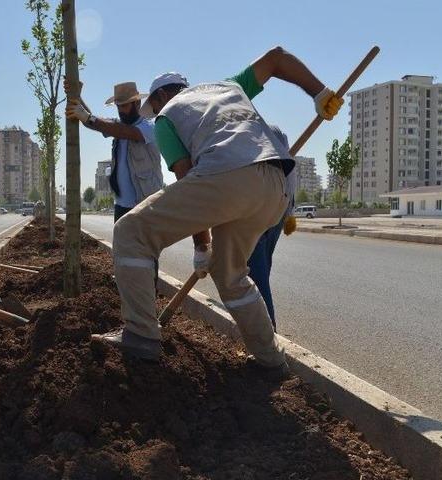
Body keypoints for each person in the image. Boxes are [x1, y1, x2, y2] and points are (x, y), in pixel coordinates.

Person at [91, 47, 343, 376]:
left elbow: (189, 180)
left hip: (228, 178)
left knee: (130, 231)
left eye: (153, 105)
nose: (154, 111)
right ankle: (271, 361)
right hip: (275, 187)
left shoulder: (168, 119)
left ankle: (139, 335)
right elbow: (277, 57)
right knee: (231, 276)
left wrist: (201, 247)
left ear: (163, 95)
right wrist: (319, 92)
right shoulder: (229, 86)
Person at [65, 80, 163, 222]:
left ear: (137, 104)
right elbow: (95, 123)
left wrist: (87, 117)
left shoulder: (149, 127)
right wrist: (77, 96)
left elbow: (125, 132)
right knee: (121, 245)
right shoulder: (117, 127)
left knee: (147, 244)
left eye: (124, 106)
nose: (121, 111)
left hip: (145, 205)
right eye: (118, 106)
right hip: (121, 207)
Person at [246, 125, 297, 331]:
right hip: (276, 213)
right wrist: (289, 213)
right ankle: (265, 331)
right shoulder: (279, 141)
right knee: (261, 272)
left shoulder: (255, 141)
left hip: (259, 216)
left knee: (256, 277)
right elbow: (290, 180)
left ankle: (268, 334)